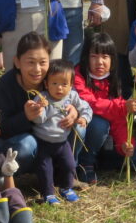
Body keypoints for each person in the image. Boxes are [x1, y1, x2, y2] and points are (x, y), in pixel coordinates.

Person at [0, 32, 80, 176]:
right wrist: (25, 117)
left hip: (52, 142)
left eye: (43, 62)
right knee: (27, 144)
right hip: (22, 142)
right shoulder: (6, 85)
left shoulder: (55, 78)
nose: (37, 69)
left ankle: (66, 173)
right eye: (31, 62)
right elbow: (2, 128)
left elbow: (75, 99)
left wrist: (74, 112)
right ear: (17, 62)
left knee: (78, 128)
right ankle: (11, 173)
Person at [73, 33, 136, 185]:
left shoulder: (113, 78)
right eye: (94, 56)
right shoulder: (77, 75)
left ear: (112, 59)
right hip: (84, 130)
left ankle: (99, 160)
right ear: (85, 57)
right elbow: (90, 103)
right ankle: (85, 162)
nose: (99, 62)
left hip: (108, 134)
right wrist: (123, 107)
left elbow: (118, 118)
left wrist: (125, 144)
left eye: (105, 57)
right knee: (99, 124)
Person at [31, 60, 91, 204]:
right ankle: (48, 194)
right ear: (46, 84)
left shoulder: (72, 96)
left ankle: (66, 187)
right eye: (54, 83)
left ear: (71, 85)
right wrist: (39, 109)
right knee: (46, 169)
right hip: (43, 143)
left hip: (62, 142)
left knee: (69, 165)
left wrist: (84, 118)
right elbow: (38, 120)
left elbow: (86, 108)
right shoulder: (42, 98)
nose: (59, 88)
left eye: (64, 84)